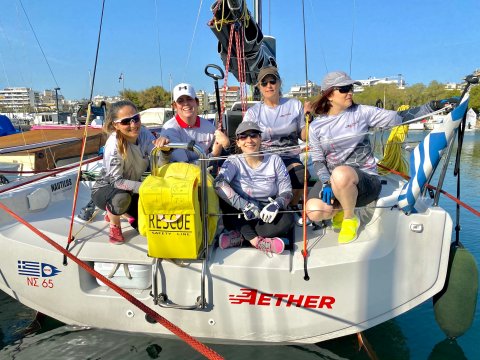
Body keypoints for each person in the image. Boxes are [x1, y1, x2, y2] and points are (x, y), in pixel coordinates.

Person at [306, 71, 449, 244]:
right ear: (329, 94)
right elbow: (319, 161)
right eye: (344, 89)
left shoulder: (362, 113)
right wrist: (326, 182)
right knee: (313, 212)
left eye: (350, 87)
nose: (350, 92)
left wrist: (434, 106)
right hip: (333, 182)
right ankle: (341, 209)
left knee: (341, 173)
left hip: (366, 182)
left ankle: (350, 218)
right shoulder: (316, 127)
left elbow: (399, 118)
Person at [91, 100, 168, 245]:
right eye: (126, 121)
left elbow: (159, 165)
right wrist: (146, 188)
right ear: (116, 125)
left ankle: (121, 213)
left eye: (136, 119)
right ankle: (114, 223)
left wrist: (164, 151)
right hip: (106, 191)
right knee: (121, 198)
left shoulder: (145, 134)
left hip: (132, 189)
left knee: (148, 227)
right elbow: (116, 182)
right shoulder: (113, 145)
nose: (133, 125)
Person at [214, 121, 294, 255]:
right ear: (238, 142)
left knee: (288, 220)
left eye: (254, 135)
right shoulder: (233, 161)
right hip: (241, 213)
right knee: (224, 198)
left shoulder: (275, 160)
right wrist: (244, 205)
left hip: (265, 213)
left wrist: (276, 204)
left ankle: (241, 237)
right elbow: (219, 183)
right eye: (243, 137)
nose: (249, 140)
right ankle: (257, 241)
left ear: (260, 139)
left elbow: (287, 191)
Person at [243, 66, 307, 209]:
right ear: (259, 87)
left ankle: (291, 207)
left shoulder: (295, 105)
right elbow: (246, 138)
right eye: (264, 83)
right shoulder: (253, 112)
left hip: (289, 157)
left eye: (272, 81)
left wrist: (310, 120)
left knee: (301, 174)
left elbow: (304, 136)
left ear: (279, 83)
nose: (269, 86)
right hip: (265, 159)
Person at [155, 83, 230, 163]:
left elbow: (223, 157)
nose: (186, 103)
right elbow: (185, 168)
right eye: (180, 101)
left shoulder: (209, 127)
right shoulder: (170, 130)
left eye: (189, 99)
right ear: (175, 106)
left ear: (197, 102)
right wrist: (213, 155)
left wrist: (226, 146)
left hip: (205, 173)